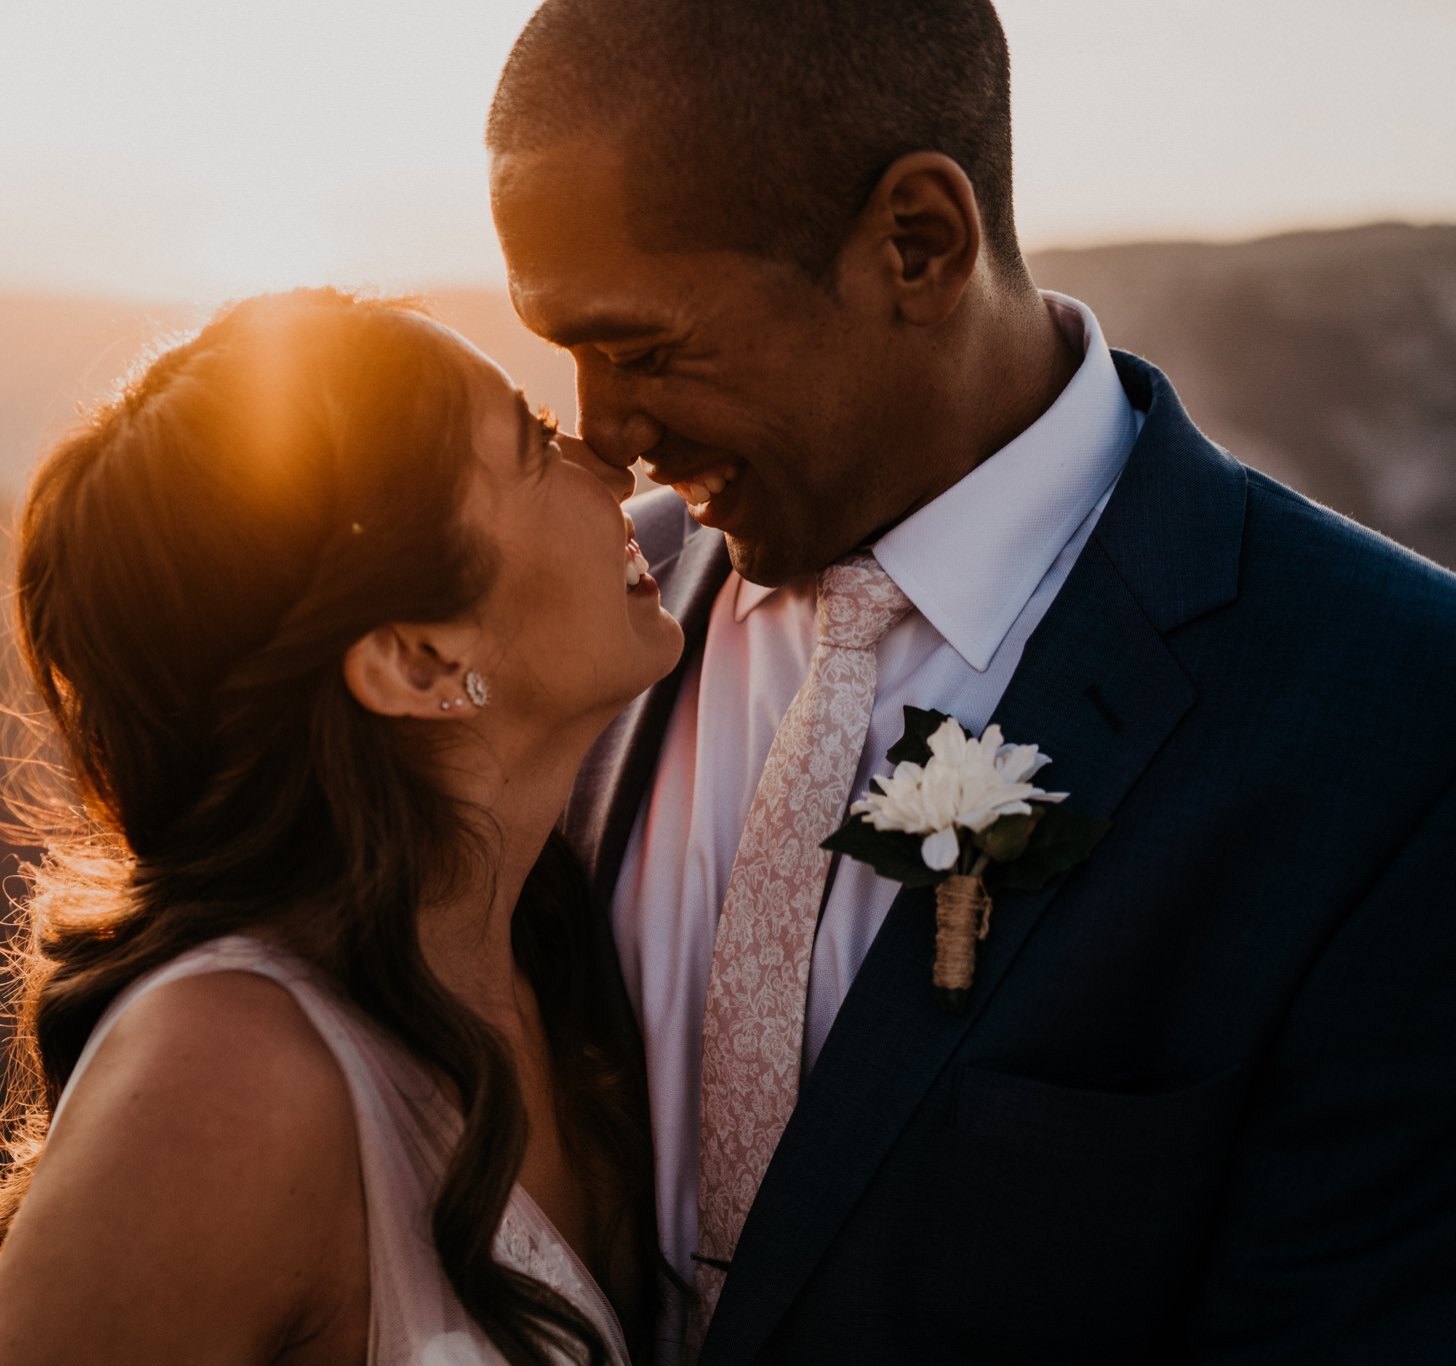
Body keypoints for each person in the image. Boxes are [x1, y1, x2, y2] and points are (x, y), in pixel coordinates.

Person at [486, 1, 1456, 1362]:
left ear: (916, 244)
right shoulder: (577, 618)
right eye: (563, 349)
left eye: (644, 349)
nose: (606, 435)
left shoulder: (1398, 717)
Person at [0, 289, 683, 1365]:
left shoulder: (556, 956)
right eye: (533, 446)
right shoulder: (220, 1081)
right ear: (415, 660)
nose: (610, 467)